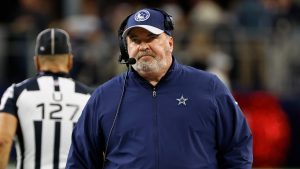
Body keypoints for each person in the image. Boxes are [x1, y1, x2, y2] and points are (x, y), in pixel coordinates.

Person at [66, 8, 253, 169]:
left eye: (151, 38)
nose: (143, 46)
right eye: (135, 40)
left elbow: (238, 146)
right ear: (126, 49)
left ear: (170, 43)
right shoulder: (104, 96)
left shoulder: (209, 87)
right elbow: (80, 160)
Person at [0, 28, 92, 169]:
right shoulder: (89, 97)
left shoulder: (16, 93)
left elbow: (3, 140)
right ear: (69, 61)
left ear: (36, 62)